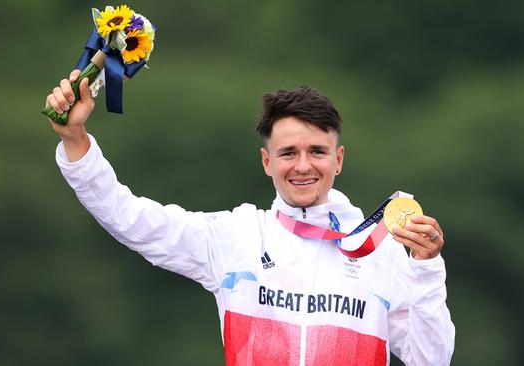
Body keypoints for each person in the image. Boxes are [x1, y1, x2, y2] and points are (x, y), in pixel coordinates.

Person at [46, 70, 455, 365]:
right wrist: (75, 139)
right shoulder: (235, 237)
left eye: (317, 151)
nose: (303, 166)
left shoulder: (377, 250)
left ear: (339, 159)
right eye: (288, 153)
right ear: (266, 161)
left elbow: (431, 358)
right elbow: (129, 218)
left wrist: (425, 269)